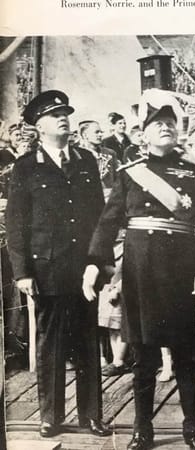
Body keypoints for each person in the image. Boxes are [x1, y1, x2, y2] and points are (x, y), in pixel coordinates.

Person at [84, 91, 195, 450]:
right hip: (140, 271)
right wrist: (95, 263)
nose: (165, 128)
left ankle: (192, 424)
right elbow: (108, 221)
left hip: (180, 269)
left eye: (170, 123)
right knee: (143, 355)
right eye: (157, 124)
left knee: (187, 352)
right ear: (142, 133)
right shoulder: (131, 175)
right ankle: (143, 428)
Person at [5, 90, 110, 438]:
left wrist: (101, 262)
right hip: (46, 269)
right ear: (38, 126)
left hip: (84, 270)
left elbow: (99, 217)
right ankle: (50, 416)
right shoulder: (25, 167)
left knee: (87, 340)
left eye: (66, 113)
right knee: (51, 345)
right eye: (54, 115)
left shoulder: (85, 161)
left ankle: (91, 415)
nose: (63, 119)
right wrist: (21, 272)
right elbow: (16, 224)